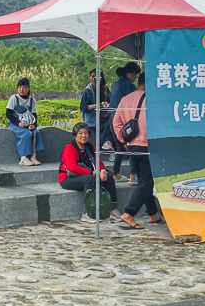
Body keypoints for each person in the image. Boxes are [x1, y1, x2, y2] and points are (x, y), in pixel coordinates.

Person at [111, 72, 163, 229]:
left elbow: (116, 122)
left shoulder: (125, 99)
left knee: (143, 180)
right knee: (147, 182)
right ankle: (129, 213)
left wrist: (123, 140)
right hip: (147, 146)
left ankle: (152, 214)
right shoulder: (151, 99)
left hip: (132, 146)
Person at [59, 122, 124, 223]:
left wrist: (102, 170)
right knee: (90, 179)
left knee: (109, 178)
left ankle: (112, 209)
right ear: (75, 134)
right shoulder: (70, 148)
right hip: (67, 178)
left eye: (86, 133)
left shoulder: (90, 147)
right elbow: (73, 168)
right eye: (80, 133)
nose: (83, 136)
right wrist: (91, 173)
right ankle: (86, 213)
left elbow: (97, 161)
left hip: (87, 175)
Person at [109, 62, 141, 183]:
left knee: (121, 147)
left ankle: (116, 173)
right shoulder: (128, 86)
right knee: (130, 146)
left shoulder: (118, 84)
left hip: (112, 119)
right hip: (123, 119)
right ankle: (133, 176)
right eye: (135, 76)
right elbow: (132, 104)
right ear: (130, 74)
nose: (135, 79)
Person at [6, 77, 44, 166]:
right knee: (26, 133)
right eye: (19, 87)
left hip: (27, 124)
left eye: (24, 87)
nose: (21, 89)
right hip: (15, 124)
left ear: (28, 88)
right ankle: (23, 158)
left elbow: (34, 114)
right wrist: (18, 123)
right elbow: (8, 114)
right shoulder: (14, 98)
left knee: (36, 132)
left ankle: (33, 156)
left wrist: (34, 125)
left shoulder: (31, 100)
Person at [80, 68, 112, 149]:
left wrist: (107, 104)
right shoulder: (87, 91)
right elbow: (83, 107)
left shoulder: (105, 88)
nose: (93, 79)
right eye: (92, 76)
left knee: (111, 125)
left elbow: (112, 101)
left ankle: (109, 146)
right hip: (92, 120)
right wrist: (97, 106)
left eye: (96, 77)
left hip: (104, 117)